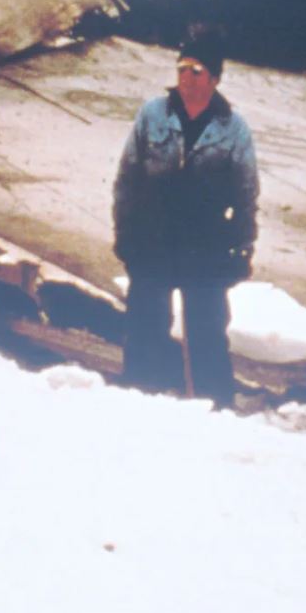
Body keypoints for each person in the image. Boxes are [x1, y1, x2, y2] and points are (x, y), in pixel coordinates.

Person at [112, 32, 259, 407]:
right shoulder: (152, 115)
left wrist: (241, 248)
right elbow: (127, 178)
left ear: (214, 79)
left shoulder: (233, 128)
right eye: (182, 69)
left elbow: (246, 195)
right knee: (144, 325)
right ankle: (139, 397)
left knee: (207, 332)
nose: (188, 78)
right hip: (153, 241)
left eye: (197, 70)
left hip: (205, 248)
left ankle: (215, 406)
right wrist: (125, 232)